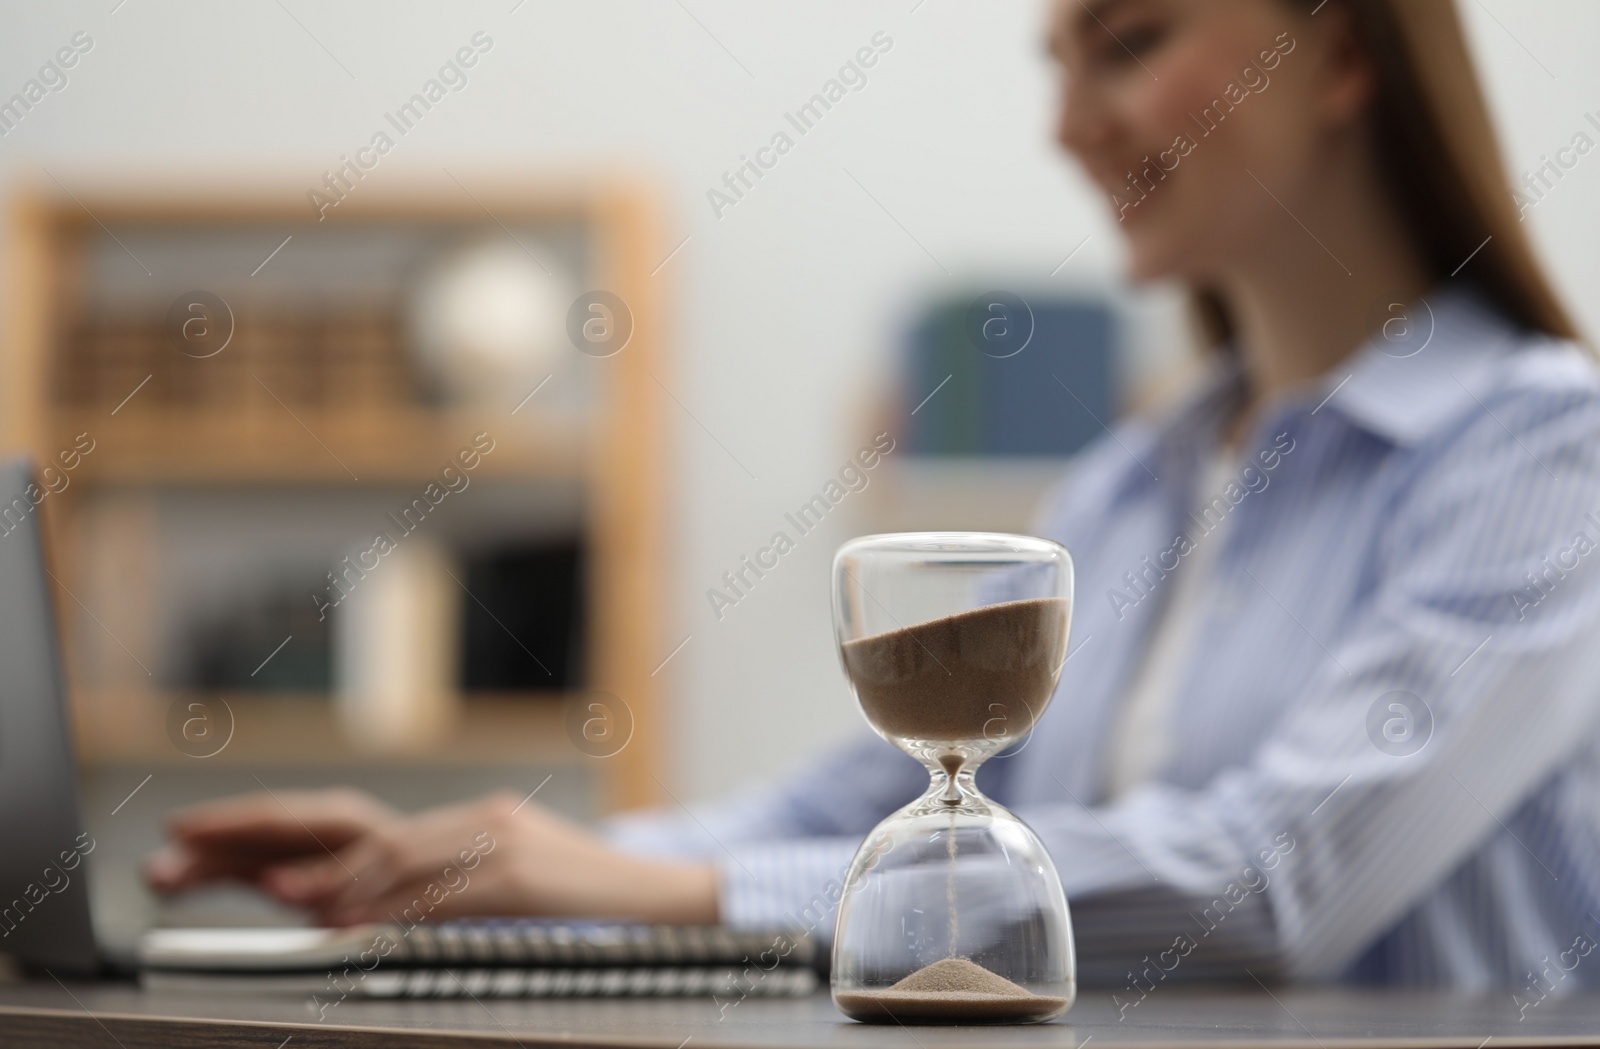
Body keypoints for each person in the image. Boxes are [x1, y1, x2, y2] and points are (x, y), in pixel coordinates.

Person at [147, 0, 1600, 991]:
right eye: (1055, 61)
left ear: (1339, 53)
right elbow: (850, 802)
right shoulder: (1131, 483)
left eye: (1129, 41)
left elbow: (1286, 883)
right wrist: (506, 854)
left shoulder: (1547, 453)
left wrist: (679, 894)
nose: (1068, 121)